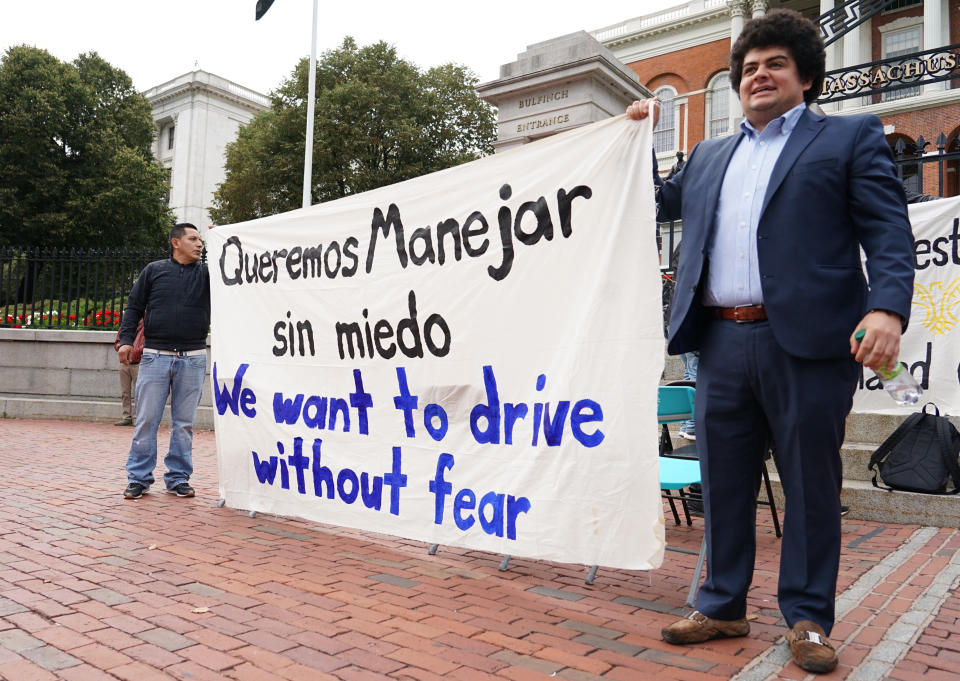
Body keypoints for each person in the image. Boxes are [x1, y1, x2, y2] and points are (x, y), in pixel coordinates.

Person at [627, 10, 914, 674]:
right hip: (719, 343)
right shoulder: (707, 155)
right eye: (749, 67)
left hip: (808, 345)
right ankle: (722, 602)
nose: (758, 74)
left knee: (811, 485)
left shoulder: (847, 139)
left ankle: (809, 616)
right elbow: (645, 200)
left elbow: (889, 232)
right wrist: (632, 140)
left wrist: (888, 309)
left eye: (775, 63)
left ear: (806, 77)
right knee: (723, 481)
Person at [116, 223, 210, 500]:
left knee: (184, 424)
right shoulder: (154, 271)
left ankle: (178, 478)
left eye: (201, 239)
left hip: (193, 358)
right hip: (155, 356)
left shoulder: (208, 274)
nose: (199, 244)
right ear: (175, 242)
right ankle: (139, 478)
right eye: (193, 238)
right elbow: (133, 307)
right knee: (146, 420)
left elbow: (236, 272)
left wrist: (226, 237)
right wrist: (126, 340)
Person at [113, 319, 145, 426]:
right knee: (125, 392)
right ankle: (126, 417)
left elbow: (145, 344)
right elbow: (118, 341)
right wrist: (120, 347)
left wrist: (135, 352)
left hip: (138, 363)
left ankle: (137, 418)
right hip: (124, 362)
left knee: (139, 392)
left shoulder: (146, 326)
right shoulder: (125, 325)